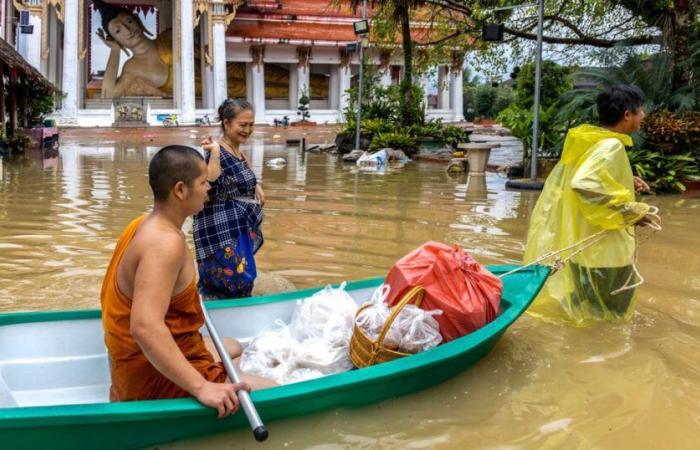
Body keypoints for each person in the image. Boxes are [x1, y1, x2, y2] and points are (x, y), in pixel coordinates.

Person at [101, 145, 274, 417]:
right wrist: (202, 387)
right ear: (180, 190)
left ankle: (224, 375)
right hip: (147, 377)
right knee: (276, 389)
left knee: (233, 347)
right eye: (204, 182)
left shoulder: (141, 223)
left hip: (131, 363)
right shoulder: (165, 243)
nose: (209, 188)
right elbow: (144, 327)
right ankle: (210, 382)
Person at [523, 85, 657, 325]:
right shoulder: (611, 146)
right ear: (627, 115)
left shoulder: (592, 141)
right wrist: (632, 212)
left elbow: (592, 179)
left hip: (585, 253)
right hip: (607, 255)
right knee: (611, 321)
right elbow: (584, 184)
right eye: (641, 111)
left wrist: (626, 181)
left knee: (587, 315)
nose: (644, 116)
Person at [193, 99, 265, 300]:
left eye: (251, 125)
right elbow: (210, 182)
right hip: (220, 228)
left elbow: (245, 172)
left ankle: (236, 313)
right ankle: (216, 314)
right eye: (242, 125)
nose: (248, 130)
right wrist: (214, 152)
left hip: (238, 226)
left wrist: (256, 186)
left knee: (243, 275)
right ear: (226, 123)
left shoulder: (237, 150)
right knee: (231, 277)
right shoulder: (216, 150)